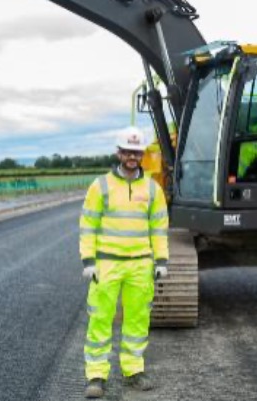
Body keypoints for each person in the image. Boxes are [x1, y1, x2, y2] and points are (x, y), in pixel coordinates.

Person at [79, 128, 169, 398]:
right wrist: (88, 260)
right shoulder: (101, 186)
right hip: (107, 264)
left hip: (140, 265)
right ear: (119, 153)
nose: (132, 156)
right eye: (128, 151)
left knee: (137, 320)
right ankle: (96, 375)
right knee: (100, 318)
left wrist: (161, 260)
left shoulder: (152, 188)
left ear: (142, 155)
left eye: (137, 152)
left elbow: (159, 228)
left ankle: (133, 371)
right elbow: (88, 225)